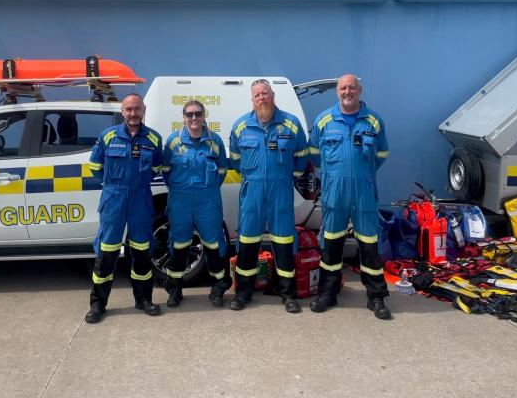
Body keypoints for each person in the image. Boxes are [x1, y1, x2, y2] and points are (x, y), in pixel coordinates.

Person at [308, 74, 392, 319]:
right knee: (331, 243)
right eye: (343, 88)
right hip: (334, 190)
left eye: (352, 88)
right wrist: (334, 173)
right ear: (337, 91)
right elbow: (313, 153)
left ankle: (376, 297)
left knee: (368, 243)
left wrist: (363, 173)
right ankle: (327, 293)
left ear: (360, 90)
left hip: (364, 190)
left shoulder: (374, 121)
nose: (348, 92)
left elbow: (382, 153)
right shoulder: (324, 120)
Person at [228, 79, 310, 313]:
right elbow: (235, 159)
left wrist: (286, 178)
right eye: (257, 95)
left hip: (281, 190)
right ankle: (243, 293)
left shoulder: (290, 124)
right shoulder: (241, 125)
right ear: (252, 99)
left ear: (272, 95)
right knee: (247, 241)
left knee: (284, 241)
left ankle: (288, 294)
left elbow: (302, 157)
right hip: (252, 191)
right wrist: (251, 176)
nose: (262, 98)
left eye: (265, 93)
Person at [84, 93, 163, 324]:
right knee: (106, 253)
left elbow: (157, 167)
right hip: (114, 200)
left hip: (141, 199)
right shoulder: (108, 137)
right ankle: (98, 304)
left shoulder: (154, 140)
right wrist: (112, 186)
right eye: (128, 109)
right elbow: (95, 166)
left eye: (137, 109)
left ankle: (143, 300)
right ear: (122, 111)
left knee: (141, 252)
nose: (132, 113)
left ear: (143, 110)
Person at [160, 100, 233, 307]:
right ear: (183, 117)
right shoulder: (173, 141)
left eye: (198, 114)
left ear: (204, 116)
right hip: (180, 200)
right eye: (189, 114)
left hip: (207, 200)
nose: (194, 118)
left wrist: (207, 190)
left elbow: (221, 171)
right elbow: (166, 171)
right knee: (179, 243)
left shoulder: (214, 141)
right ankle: (174, 288)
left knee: (214, 243)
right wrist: (178, 189)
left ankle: (219, 286)